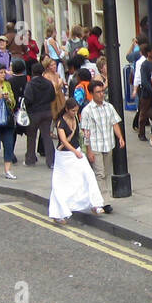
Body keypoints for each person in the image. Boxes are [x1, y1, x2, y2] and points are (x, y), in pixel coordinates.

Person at [47, 94, 108, 224]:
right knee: (61, 183)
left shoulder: (75, 117)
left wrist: (83, 137)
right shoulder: (60, 123)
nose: (75, 113)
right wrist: (75, 151)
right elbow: (63, 140)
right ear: (67, 109)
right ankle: (58, 213)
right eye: (73, 111)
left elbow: (79, 133)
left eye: (76, 110)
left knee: (89, 175)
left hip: (77, 152)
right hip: (64, 156)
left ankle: (95, 204)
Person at [81, 78, 124, 201]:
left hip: (108, 144)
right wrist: (88, 150)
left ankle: (95, 196)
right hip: (95, 146)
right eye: (98, 92)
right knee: (100, 174)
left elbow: (114, 123)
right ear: (92, 94)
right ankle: (104, 200)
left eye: (102, 92)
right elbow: (86, 133)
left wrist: (120, 137)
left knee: (105, 173)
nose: (101, 94)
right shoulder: (87, 111)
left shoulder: (109, 107)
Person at [23, 59, 59, 168]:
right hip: (47, 111)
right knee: (46, 136)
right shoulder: (48, 83)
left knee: (31, 136)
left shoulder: (30, 84)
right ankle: (51, 161)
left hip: (34, 113)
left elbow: (27, 99)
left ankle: (30, 159)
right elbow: (53, 96)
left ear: (33, 72)